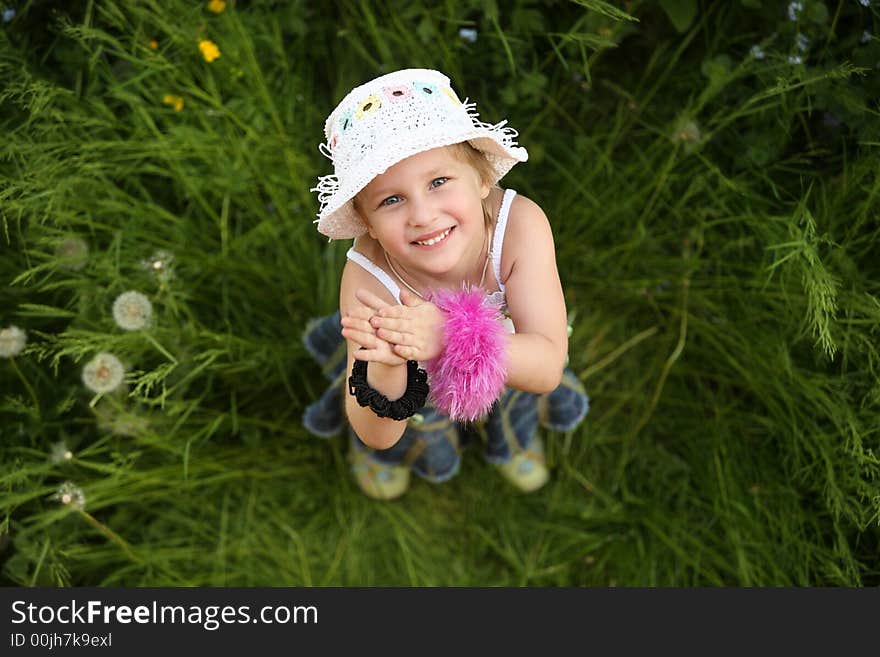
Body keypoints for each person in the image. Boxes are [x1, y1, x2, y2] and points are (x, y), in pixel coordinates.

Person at [303, 68, 589, 499]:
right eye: (391, 200)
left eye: (438, 182)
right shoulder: (370, 279)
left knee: (516, 394)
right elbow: (376, 431)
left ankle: (511, 438)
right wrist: (386, 364)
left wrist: (451, 334)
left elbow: (547, 364)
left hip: (515, 356)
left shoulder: (518, 226)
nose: (422, 214)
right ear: (368, 225)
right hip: (421, 387)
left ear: (481, 179)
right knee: (411, 425)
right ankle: (387, 459)